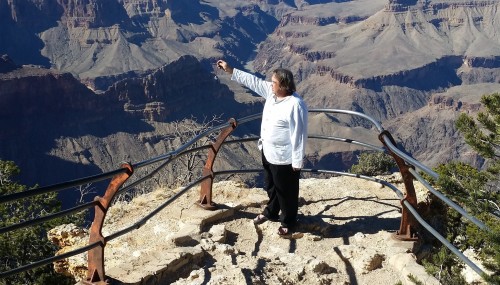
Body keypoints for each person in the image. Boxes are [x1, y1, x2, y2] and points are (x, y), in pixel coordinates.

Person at [216, 60, 308, 236]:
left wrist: (297, 160)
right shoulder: (272, 93)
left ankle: (289, 221)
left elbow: (299, 134)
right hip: (267, 150)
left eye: (274, 82)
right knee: (271, 185)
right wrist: (230, 70)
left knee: (286, 190)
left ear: (284, 85)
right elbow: (253, 81)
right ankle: (271, 212)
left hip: (284, 156)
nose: (270, 84)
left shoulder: (295, 105)